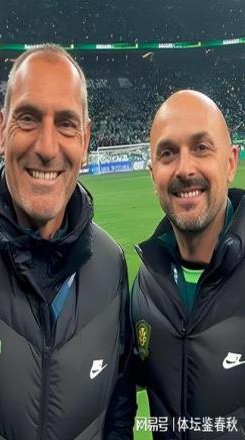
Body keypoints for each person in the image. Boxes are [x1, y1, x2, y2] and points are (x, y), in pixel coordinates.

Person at [0, 45, 131, 439]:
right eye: (28, 118)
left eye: (66, 123)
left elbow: (118, 414)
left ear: (85, 140)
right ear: (2, 131)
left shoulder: (110, 264)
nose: (46, 147)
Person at [129, 90, 243, 438]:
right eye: (167, 153)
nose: (184, 168)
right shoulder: (145, 286)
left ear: (230, 163)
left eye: (201, 147)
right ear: (153, 175)